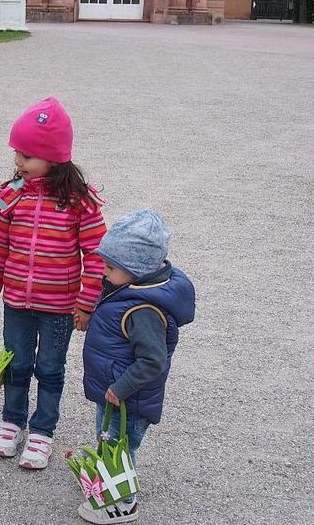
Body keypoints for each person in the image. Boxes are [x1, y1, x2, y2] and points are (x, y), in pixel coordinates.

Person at [0, 97, 107, 470]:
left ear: (53, 158)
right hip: (17, 301)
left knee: (50, 368)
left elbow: (96, 255)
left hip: (59, 308)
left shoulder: (79, 202)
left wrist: (86, 302)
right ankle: (12, 421)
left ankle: (43, 431)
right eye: (17, 154)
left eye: (26, 156)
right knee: (16, 364)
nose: (18, 162)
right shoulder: (13, 194)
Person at [77, 209, 196, 524]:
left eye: (111, 267)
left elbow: (153, 360)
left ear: (136, 269)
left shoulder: (142, 310)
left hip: (128, 397)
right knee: (109, 439)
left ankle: (123, 503)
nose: (104, 273)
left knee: (121, 446)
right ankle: (108, 484)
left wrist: (121, 387)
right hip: (115, 392)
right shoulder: (126, 290)